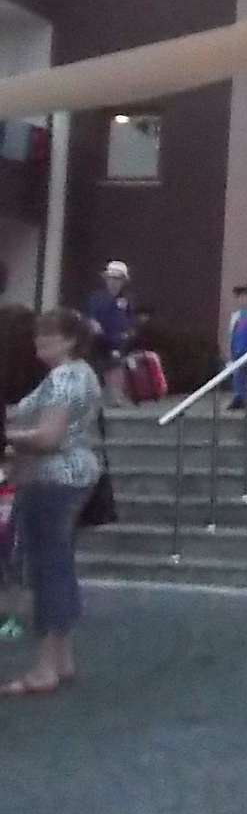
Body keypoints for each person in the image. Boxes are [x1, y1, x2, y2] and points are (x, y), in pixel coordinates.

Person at [2, 309, 103, 697]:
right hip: (73, 476)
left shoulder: (62, 379)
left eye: (49, 336)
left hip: (52, 479)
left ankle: (45, 667)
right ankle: (61, 657)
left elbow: (48, 437)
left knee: (47, 569)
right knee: (59, 564)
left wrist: (8, 439)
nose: (40, 342)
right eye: (39, 335)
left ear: (71, 340)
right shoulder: (81, 374)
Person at [83, 260, 137, 409]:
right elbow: (90, 317)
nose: (114, 282)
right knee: (96, 369)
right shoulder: (97, 298)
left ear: (123, 282)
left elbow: (129, 318)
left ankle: (116, 398)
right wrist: (94, 326)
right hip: (98, 340)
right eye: (111, 278)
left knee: (116, 366)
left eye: (118, 279)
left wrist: (129, 331)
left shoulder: (126, 300)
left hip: (117, 340)